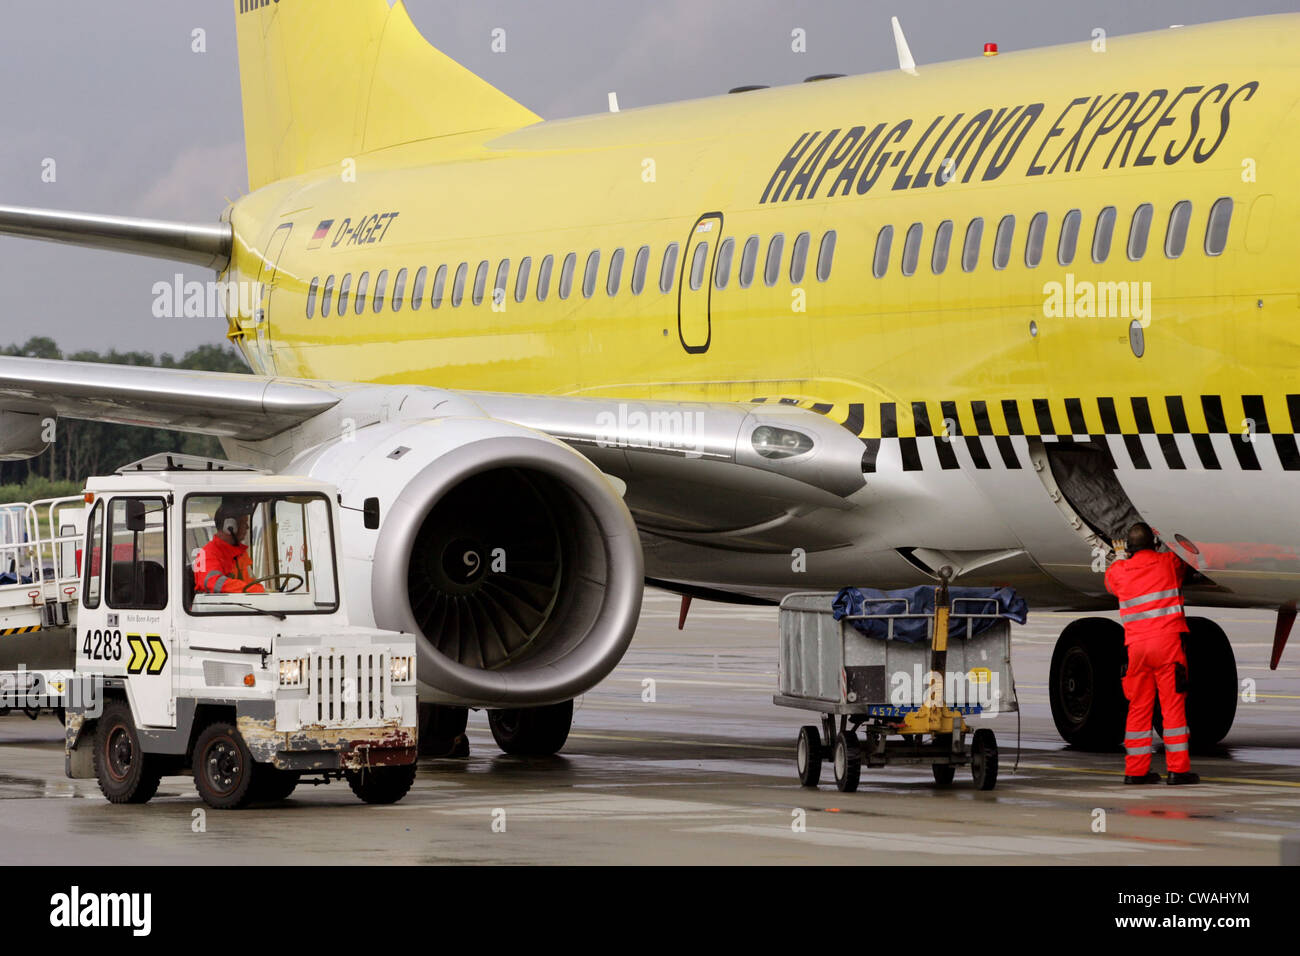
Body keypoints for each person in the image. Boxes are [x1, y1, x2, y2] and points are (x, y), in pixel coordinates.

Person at [1104, 522, 1198, 785]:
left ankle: (1135, 772)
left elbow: (1111, 583)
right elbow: (1187, 561)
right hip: (1167, 646)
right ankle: (1178, 770)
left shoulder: (1119, 571)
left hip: (1137, 650)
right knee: (1172, 707)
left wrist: (1120, 557)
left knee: (1138, 708)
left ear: (1130, 548)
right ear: (1154, 544)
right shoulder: (1168, 563)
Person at [193, 501, 265, 594]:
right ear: (230, 526)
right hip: (219, 608)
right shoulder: (207, 554)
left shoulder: (239, 553)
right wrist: (258, 591)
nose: (247, 527)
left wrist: (265, 593)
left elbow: (251, 583)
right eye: (244, 522)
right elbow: (213, 583)